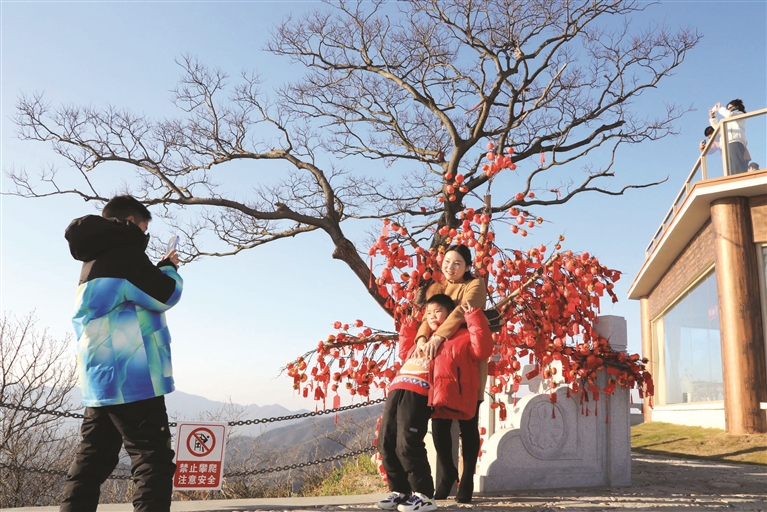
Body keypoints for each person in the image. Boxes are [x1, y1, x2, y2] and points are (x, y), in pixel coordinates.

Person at [60, 195, 183, 512]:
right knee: (152, 458)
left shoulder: (93, 260)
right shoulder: (127, 255)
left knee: (92, 459)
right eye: (144, 229)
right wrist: (168, 269)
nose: (145, 236)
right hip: (131, 376)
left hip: (99, 378)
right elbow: (165, 295)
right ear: (129, 222)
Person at [377, 294, 492, 512]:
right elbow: (404, 352)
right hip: (399, 386)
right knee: (386, 441)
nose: (432, 316)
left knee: (407, 441)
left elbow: (482, 350)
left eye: (437, 311)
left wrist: (473, 317)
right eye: (428, 313)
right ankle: (400, 490)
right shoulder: (423, 337)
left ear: (450, 315)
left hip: (421, 391)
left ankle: (423, 495)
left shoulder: (460, 336)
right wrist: (409, 326)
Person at [415, 245, 489, 503]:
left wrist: (438, 336)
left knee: (468, 422)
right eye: (447, 261)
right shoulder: (437, 287)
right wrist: (422, 337)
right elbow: (428, 316)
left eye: (457, 263)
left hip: (466, 361)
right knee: (439, 422)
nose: (450, 267)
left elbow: (461, 312)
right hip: (440, 365)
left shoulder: (475, 285)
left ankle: (467, 478)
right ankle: (447, 474)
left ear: (467, 266)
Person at [710, 99, 749, 175]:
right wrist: (713, 118)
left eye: (731, 107)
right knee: (729, 168)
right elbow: (719, 129)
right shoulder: (727, 119)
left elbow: (729, 114)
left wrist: (720, 108)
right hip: (726, 143)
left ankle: (740, 179)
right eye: (728, 108)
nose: (729, 109)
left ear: (737, 107)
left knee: (737, 165)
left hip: (735, 141)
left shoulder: (739, 114)